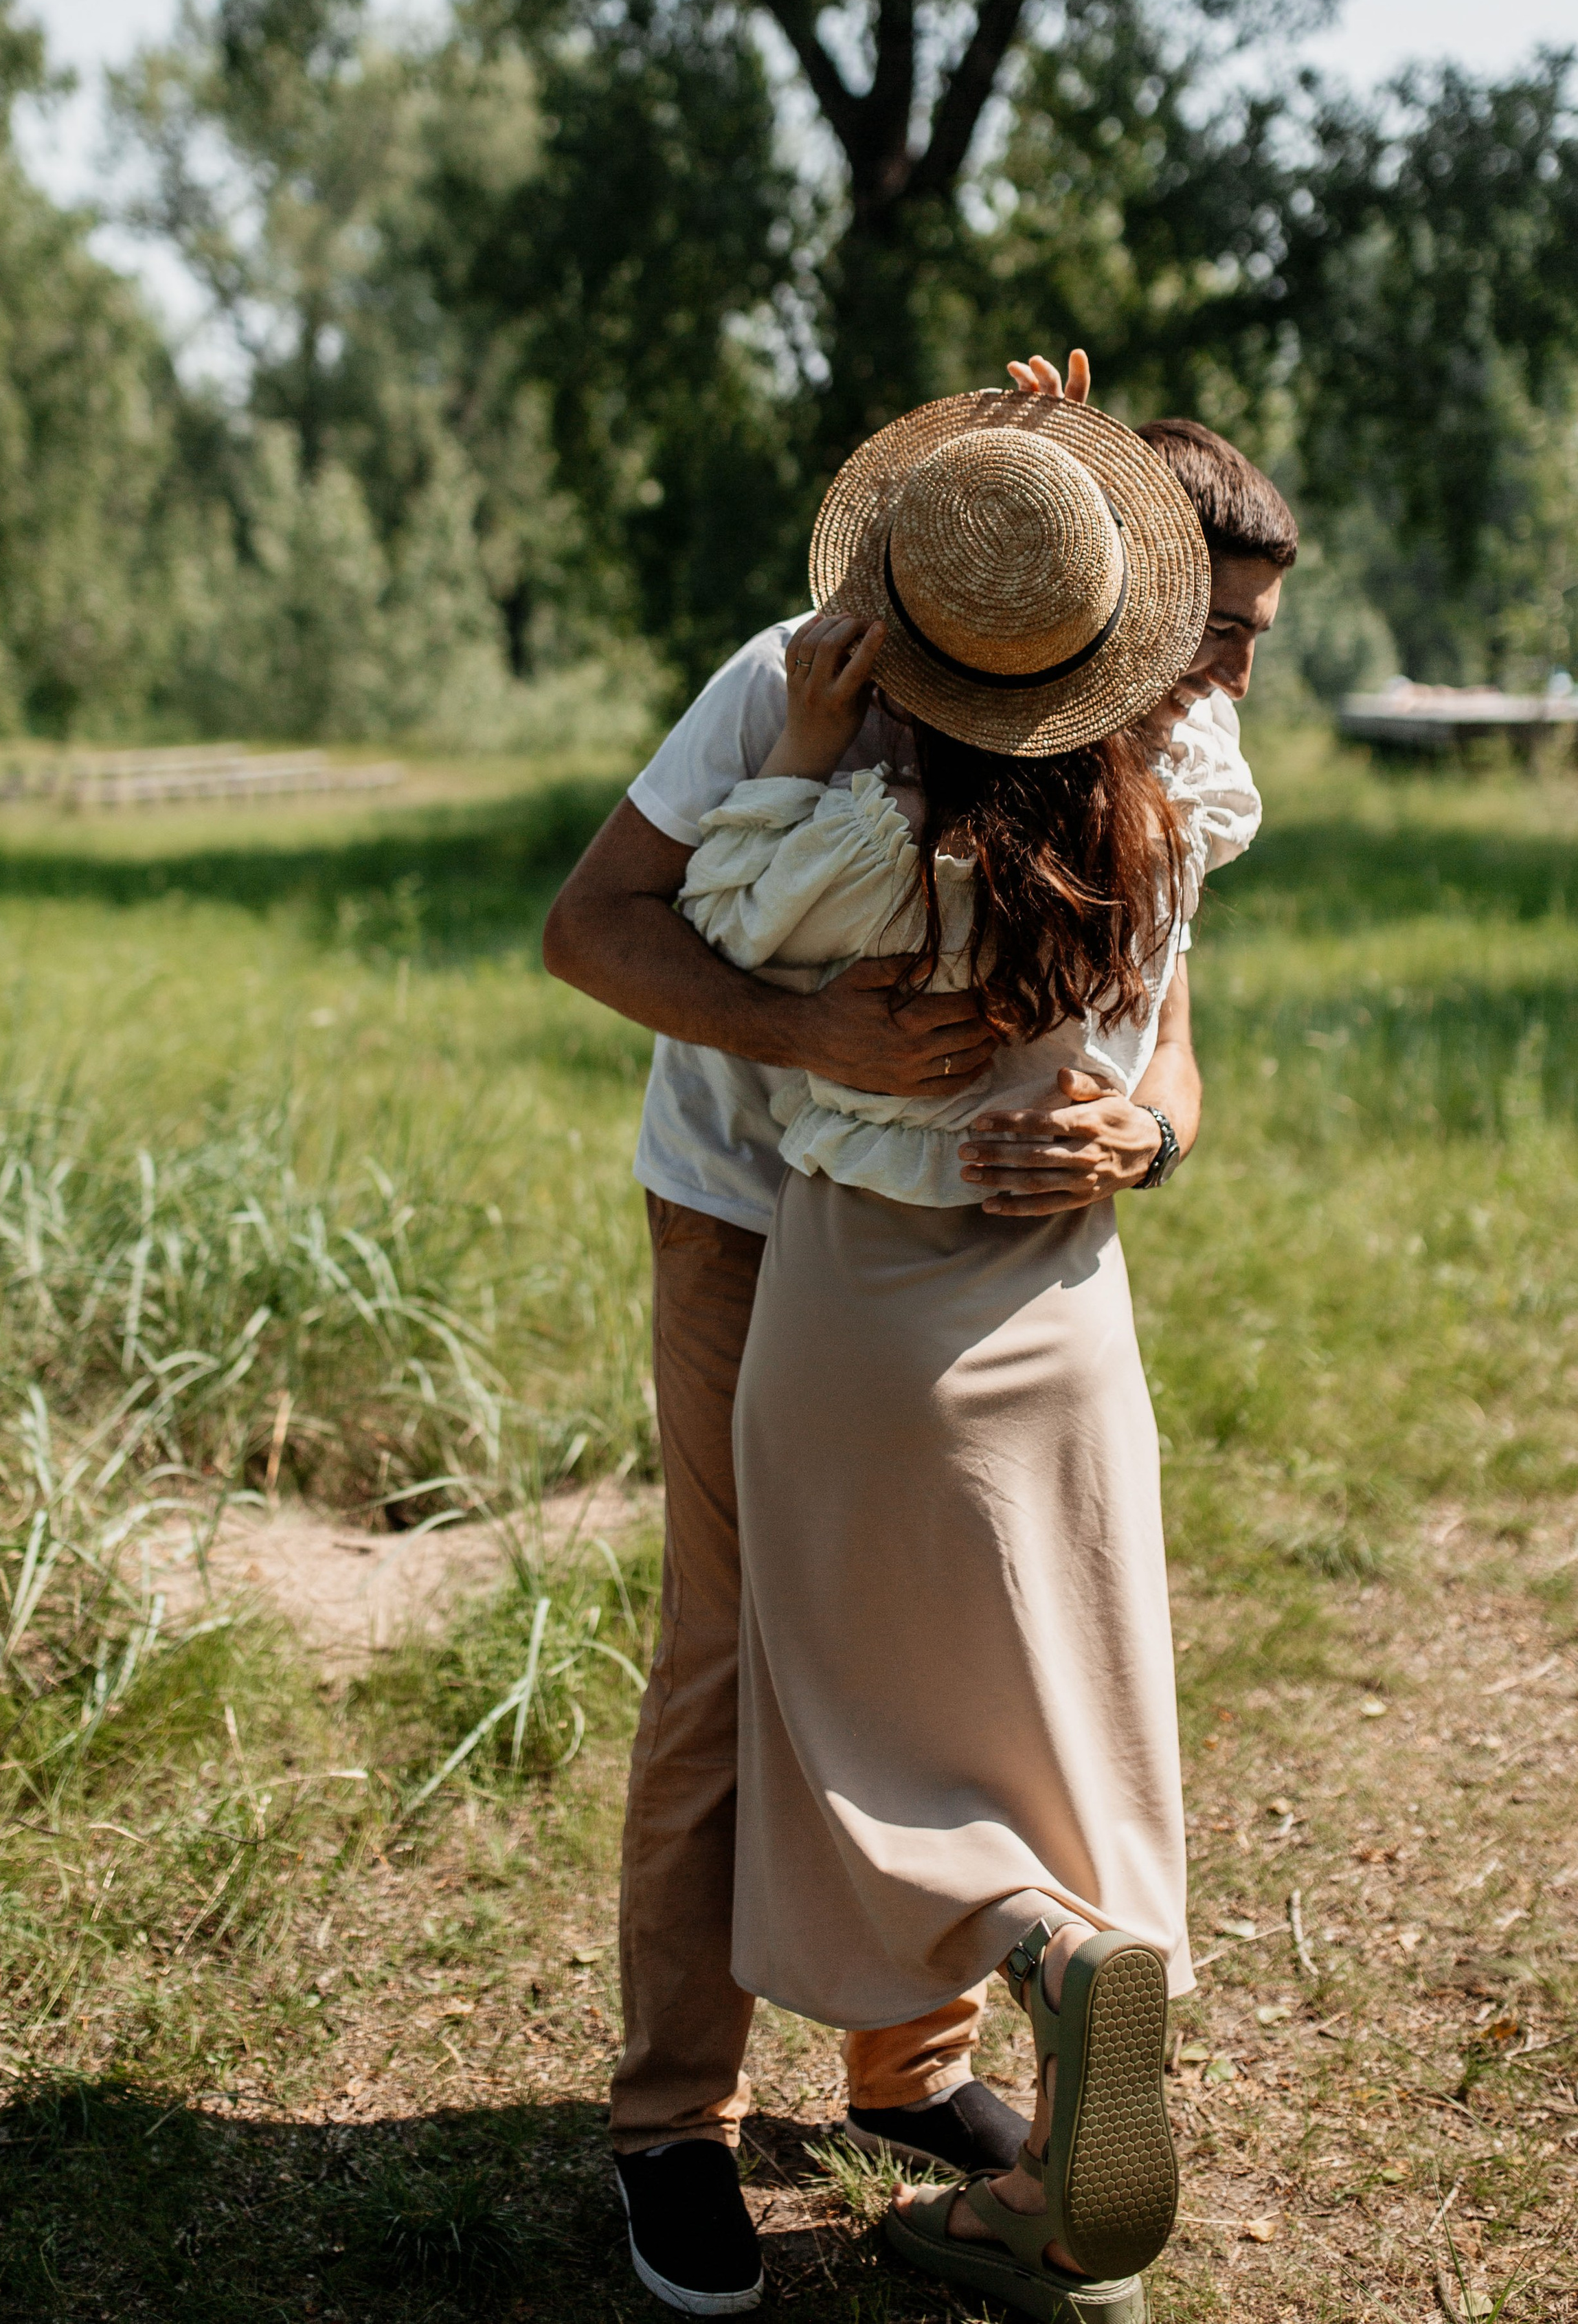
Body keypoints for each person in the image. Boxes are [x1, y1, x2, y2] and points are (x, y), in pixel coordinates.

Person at [541, 360, 1296, 2316]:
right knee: (741, 1655)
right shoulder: (782, 685)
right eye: (1210, 630)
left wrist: (1145, 1135)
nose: (1225, 675)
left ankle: (912, 2065)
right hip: (749, 1216)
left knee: (949, 1660)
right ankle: (675, 2123)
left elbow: (1170, 1037)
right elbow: (593, 928)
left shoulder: (1127, 727)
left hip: (961, 1244)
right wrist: (810, 1033)